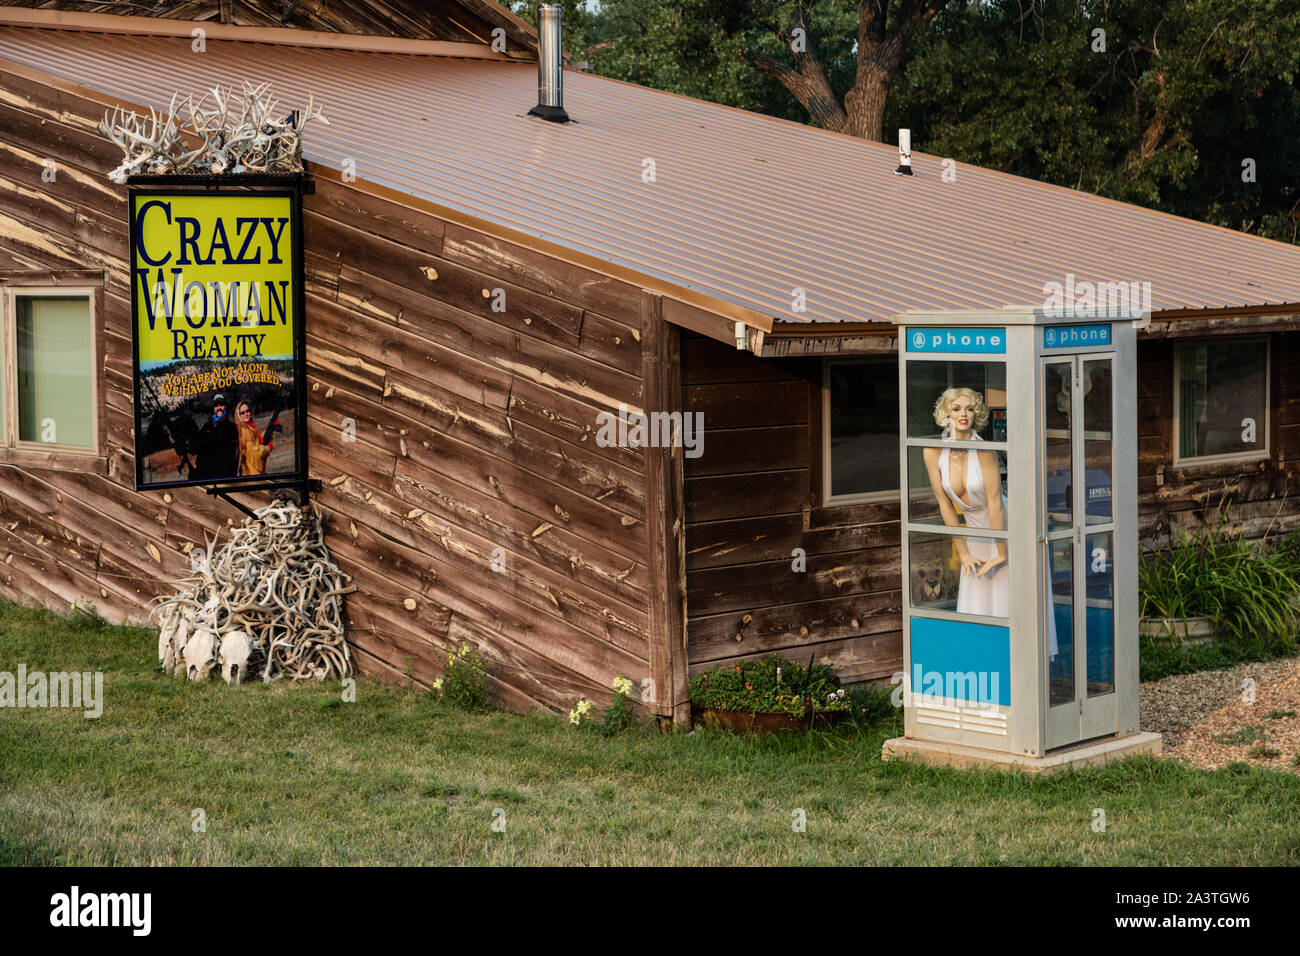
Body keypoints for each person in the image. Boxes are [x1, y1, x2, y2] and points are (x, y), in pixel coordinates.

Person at [921, 387, 1010, 618]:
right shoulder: (932, 452)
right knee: (978, 597)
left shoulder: (984, 451)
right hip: (973, 531)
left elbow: (995, 503)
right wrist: (963, 554)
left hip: (1002, 526)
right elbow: (944, 504)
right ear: (946, 414)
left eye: (970, 409)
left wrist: (1002, 552)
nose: (964, 414)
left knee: (1005, 596)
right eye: (957, 408)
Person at [188, 392, 239, 481]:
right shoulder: (207, 426)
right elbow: (194, 445)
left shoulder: (231, 427)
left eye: (221, 404)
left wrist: (204, 441)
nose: (219, 408)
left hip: (223, 476)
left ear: (225, 407)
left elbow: (230, 452)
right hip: (204, 476)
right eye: (216, 405)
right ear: (213, 408)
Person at [236, 400, 274, 475]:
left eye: (247, 411)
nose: (246, 414)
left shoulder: (249, 427)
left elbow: (256, 441)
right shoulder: (245, 431)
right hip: (251, 472)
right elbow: (257, 453)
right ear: (238, 415)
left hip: (252, 471)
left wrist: (268, 433)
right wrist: (269, 447)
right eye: (242, 413)